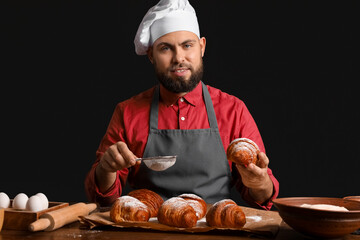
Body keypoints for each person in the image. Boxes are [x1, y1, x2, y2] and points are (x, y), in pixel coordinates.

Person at [85, 0, 279, 210]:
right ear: (151, 55)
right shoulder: (127, 112)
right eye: (165, 48)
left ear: (202, 47)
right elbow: (102, 199)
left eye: (187, 45)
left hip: (215, 230)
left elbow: (262, 198)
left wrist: (260, 183)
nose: (179, 58)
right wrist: (106, 169)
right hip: (147, 230)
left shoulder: (234, 111)